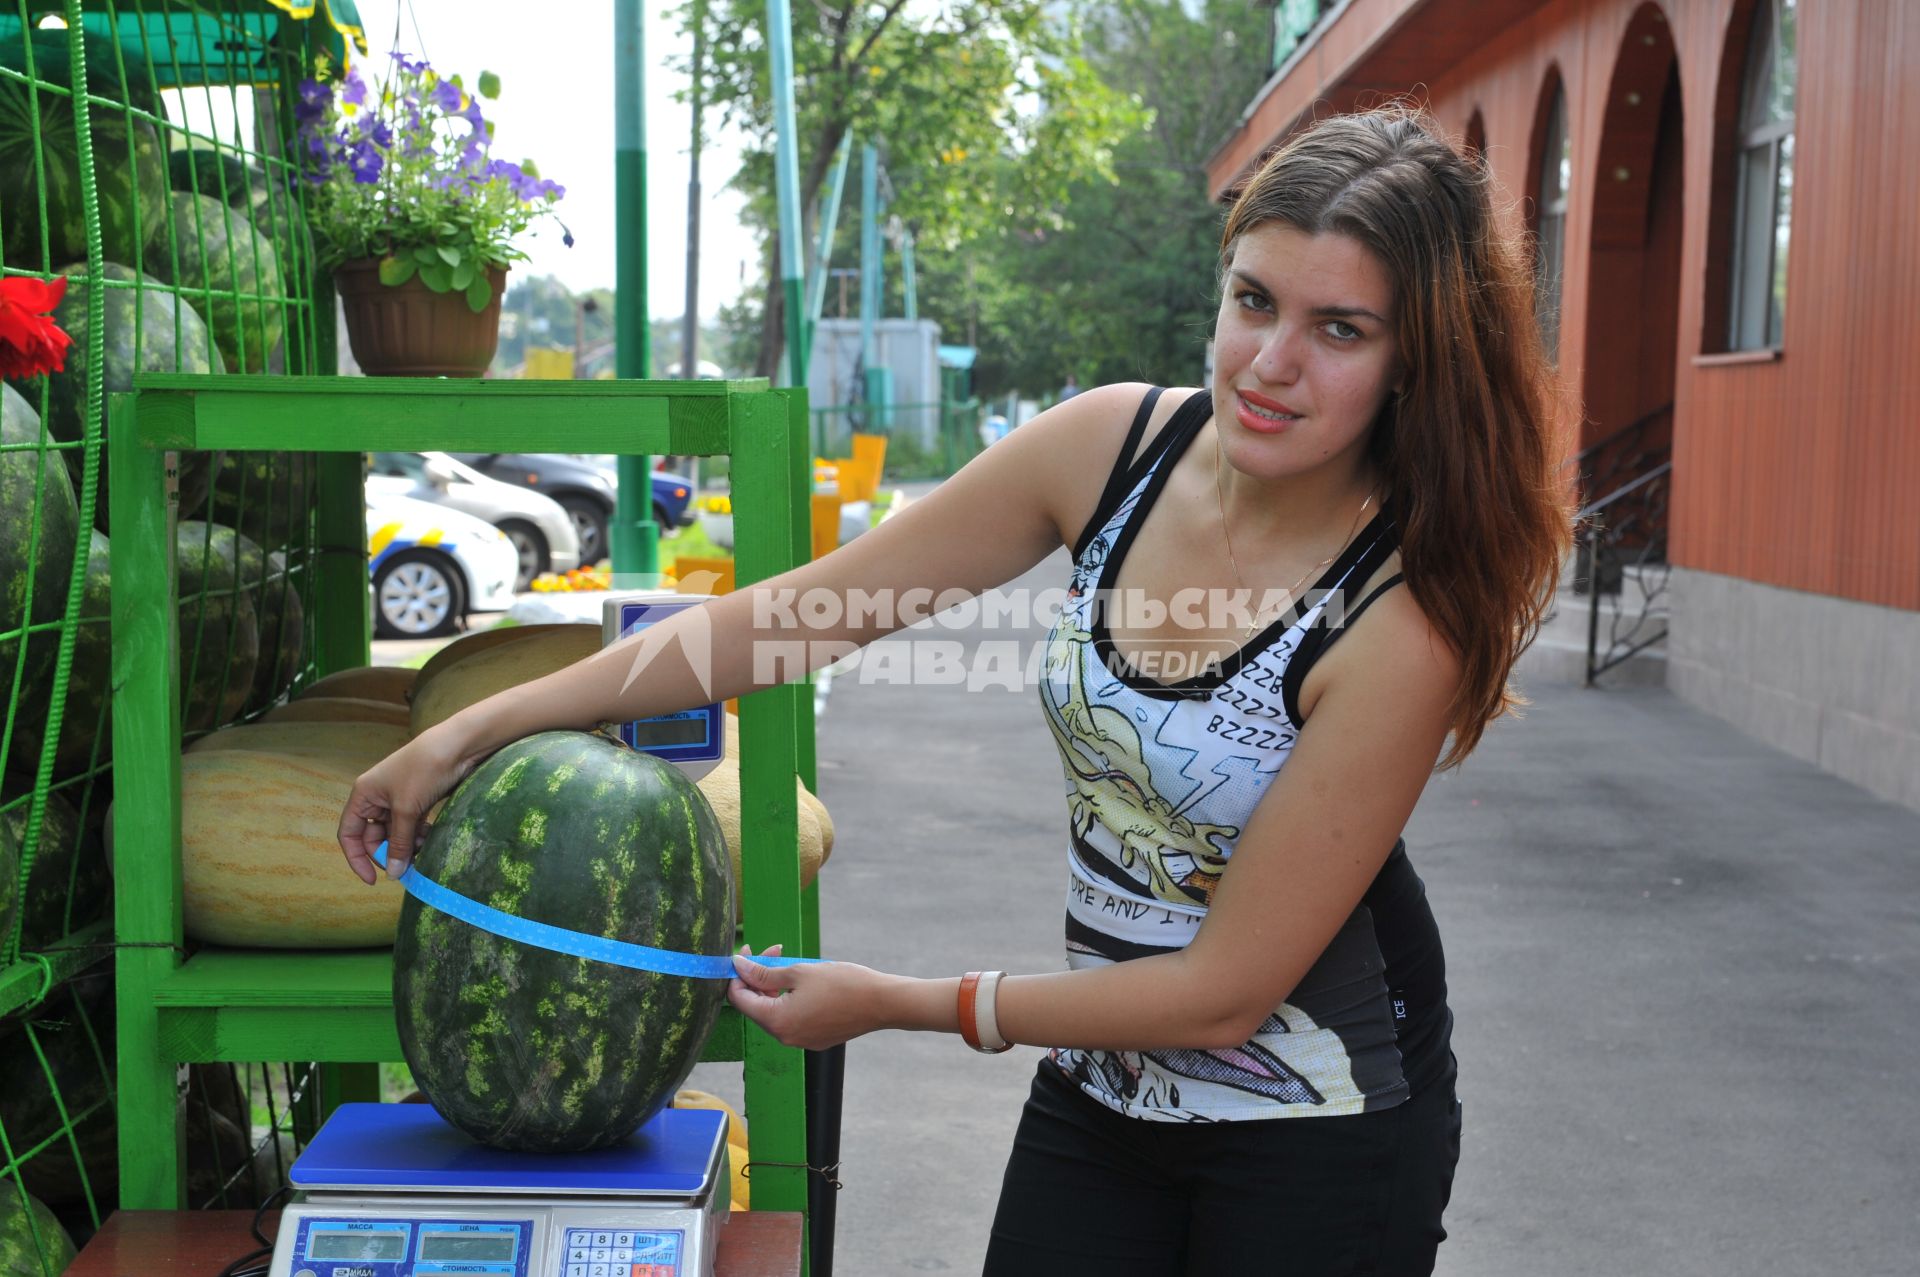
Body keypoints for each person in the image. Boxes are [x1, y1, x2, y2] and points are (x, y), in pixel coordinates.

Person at [339, 103, 1570, 1275]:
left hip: (1323, 1119)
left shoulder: (1403, 612)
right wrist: (471, 729)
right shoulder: (1114, 450)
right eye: (1254, 300)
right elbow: (787, 619)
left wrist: (896, 1002)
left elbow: (1224, 993)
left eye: (1340, 329)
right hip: (1108, 1079)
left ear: (1416, 360)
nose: (1272, 362)